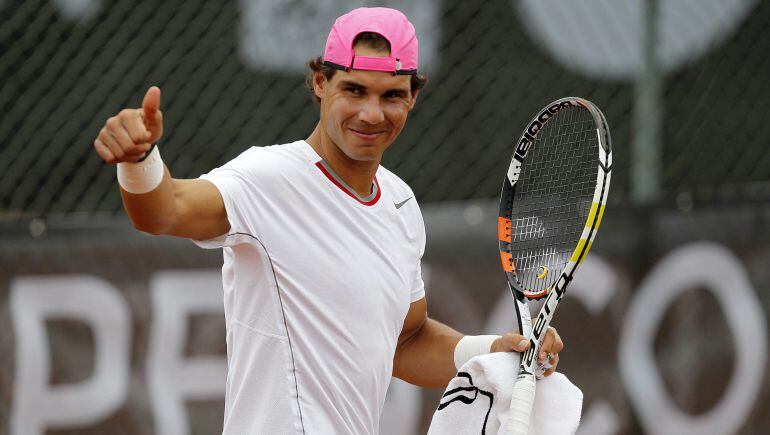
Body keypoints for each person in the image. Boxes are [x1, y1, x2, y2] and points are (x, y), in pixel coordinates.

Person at [93, 7, 563, 434]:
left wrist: (491, 351)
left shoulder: (400, 203)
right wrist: (139, 159)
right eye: (353, 90)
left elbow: (405, 340)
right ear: (320, 82)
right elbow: (164, 211)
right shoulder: (268, 178)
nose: (371, 113)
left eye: (391, 96)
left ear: (414, 96)